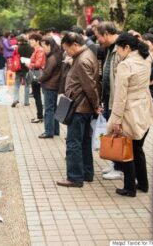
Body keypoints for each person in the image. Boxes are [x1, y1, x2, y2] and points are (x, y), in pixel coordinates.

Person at [107, 33, 153, 197]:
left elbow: (120, 97)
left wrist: (115, 120)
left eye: (119, 50)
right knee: (138, 149)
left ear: (127, 47)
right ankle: (143, 183)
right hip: (144, 109)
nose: (118, 53)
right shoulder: (146, 58)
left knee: (127, 150)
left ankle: (129, 188)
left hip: (129, 112)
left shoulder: (125, 65)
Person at [56, 32, 100, 188]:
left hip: (79, 108)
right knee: (85, 142)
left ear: (75, 44)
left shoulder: (82, 60)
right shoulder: (85, 55)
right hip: (84, 107)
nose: (66, 52)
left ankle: (75, 177)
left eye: (67, 48)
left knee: (74, 143)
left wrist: (96, 105)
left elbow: (90, 87)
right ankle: (87, 173)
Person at [94, 21, 123, 180]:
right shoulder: (109, 48)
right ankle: (115, 163)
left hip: (116, 99)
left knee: (117, 133)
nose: (98, 40)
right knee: (111, 132)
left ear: (106, 34)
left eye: (99, 36)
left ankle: (120, 167)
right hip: (109, 98)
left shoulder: (120, 47)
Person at [38, 37, 62, 138]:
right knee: (53, 108)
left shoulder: (52, 58)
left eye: (44, 47)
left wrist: (39, 79)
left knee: (48, 109)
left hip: (50, 85)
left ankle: (48, 131)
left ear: (49, 45)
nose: (43, 49)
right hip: (54, 85)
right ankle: (55, 130)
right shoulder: (57, 55)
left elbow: (47, 73)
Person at [26, 33, 46, 123]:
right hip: (36, 74)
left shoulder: (39, 50)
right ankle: (40, 115)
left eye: (32, 40)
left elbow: (38, 64)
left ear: (37, 41)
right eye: (30, 40)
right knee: (36, 95)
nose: (30, 41)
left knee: (37, 96)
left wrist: (29, 64)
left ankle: (40, 116)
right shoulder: (36, 50)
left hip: (37, 75)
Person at [11, 34, 34, 107]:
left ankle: (15, 99)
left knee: (16, 85)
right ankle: (26, 102)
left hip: (19, 68)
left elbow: (14, 57)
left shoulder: (17, 48)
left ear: (19, 40)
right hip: (27, 68)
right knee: (27, 85)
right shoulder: (31, 48)